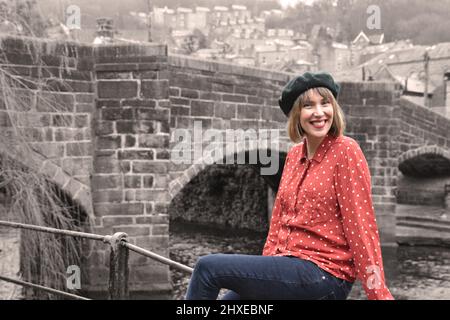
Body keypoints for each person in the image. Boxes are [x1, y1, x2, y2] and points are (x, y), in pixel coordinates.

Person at [185, 71, 394, 300]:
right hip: (288, 268)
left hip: (325, 274)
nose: (319, 112)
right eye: (308, 106)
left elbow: (361, 228)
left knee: (207, 269)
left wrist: (378, 294)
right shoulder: (295, 155)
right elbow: (278, 222)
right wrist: (263, 279)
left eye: (325, 103)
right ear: (296, 114)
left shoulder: (345, 151)